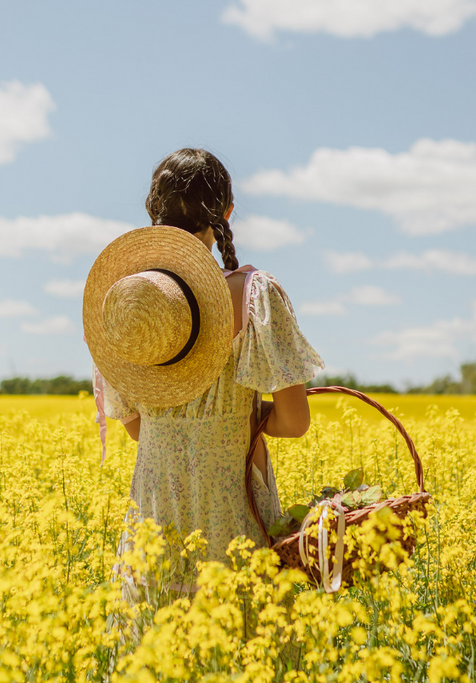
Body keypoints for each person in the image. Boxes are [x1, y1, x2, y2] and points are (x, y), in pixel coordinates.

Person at [84, 148, 324, 590]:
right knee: (236, 649)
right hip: (231, 515)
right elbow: (294, 422)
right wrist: (249, 420)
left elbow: (137, 429)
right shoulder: (255, 295)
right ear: (225, 213)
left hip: (154, 523)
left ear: (152, 213)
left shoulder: (125, 306)